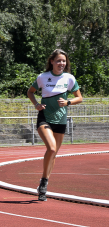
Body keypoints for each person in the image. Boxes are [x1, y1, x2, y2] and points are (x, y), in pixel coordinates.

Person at [27, 49, 82, 201]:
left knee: (53, 153)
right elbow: (30, 92)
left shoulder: (69, 78)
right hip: (45, 117)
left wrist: (67, 102)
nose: (61, 64)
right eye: (58, 61)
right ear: (51, 61)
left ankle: (43, 183)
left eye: (63, 61)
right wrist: (36, 104)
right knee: (51, 148)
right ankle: (44, 183)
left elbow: (79, 98)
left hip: (61, 120)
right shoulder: (43, 77)